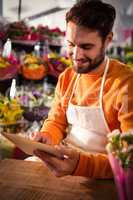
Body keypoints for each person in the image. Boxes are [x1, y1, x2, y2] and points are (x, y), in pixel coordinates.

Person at [31, 0, 133, 179]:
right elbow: (57, 121)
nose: (76, 55)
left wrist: (80, 165)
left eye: (86, 47)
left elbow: (128, 159)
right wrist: (48, 136)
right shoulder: (67, 77)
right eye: (71, 44)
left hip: (106, 176)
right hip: (65, 162)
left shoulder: (125, 84)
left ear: (107, 40)